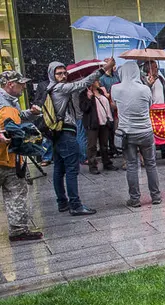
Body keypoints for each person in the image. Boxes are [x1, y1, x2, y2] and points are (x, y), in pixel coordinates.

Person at [47, 57, 114, 216]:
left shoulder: (51, 87)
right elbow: (82, 83)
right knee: (71, 170)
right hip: (65, 133)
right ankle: (75, 205)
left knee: (59, 169)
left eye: (64, 73)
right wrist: (103, 69)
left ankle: (62, 202)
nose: (63, 76)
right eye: (59, 74)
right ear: (52, 74)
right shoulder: (59, 88)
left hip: (56, 133)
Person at [111, 61, 162, 207]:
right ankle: (156, 196)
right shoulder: (145, 89)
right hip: (146, 131)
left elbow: (114, 104)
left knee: (132, 165)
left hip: (127, 132)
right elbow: (149, 106)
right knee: (151, 164)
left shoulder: (116, 88)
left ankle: (134, 199)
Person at [0, 71, 43, 241]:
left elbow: (18, 117)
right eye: (21, 83)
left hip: (12, 158)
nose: (24, 86)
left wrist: (32, 113)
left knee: (17, 193)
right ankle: (18, 230)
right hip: (5, 157)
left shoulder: (12, 103)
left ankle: (18, 231)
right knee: (16, 193)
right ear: (10, 84)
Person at [79, 80, 117, 175]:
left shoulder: (101, 91)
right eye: (96, 80)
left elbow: (107, 105)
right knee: (92, 145)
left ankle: (106, 162)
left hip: (104, 121)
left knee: (104, 144)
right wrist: (89, 98)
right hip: (92, 123)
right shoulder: (84, 94)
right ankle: (92, 165)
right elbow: (84, 108)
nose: (98, 82)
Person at [143, 60, 165, 160]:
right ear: (149, 69)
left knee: (164, 130)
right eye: (154, 67)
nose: (157, 69)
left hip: (163, 109)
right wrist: (149, 84)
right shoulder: (143, 80)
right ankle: (152, 152)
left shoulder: (160, 78)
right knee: (153, 132)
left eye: (156, 67)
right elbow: (144, 93)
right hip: (152, 111)